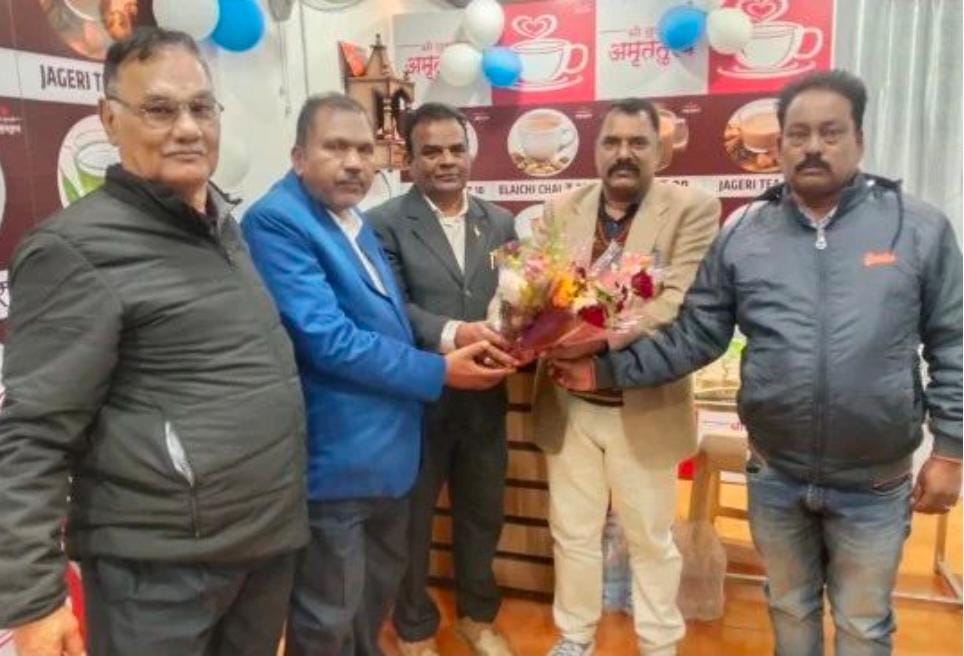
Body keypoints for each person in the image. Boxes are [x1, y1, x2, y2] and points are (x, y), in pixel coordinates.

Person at [550, 70, 963, 656]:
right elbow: (697, 334)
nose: (813, 147)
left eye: (830, 133)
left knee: (864, 624)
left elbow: (953, 341)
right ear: (780, 144)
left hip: (874, 480)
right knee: (788, 610)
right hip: (776, 473)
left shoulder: (915, 227)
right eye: (797, 134)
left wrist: (950, 450)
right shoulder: (745, 232)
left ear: (860, 140)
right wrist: (604, 372)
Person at [0, 27, 309, 656]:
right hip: (160, 577)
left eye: (201, 107)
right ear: (109, 119)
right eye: (160, 110)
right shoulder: (75, 250)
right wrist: (33, 601)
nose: (187, 128)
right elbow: (31, 434)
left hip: (261, 547)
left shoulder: (220, 224)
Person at [241, 93, 516, 656]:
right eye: (336, 147)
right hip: (339, 459)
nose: (354, 163)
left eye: (365, 150)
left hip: (389, 454)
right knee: (328, 615)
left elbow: (385, 318)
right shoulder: (278, 220)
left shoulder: (349, 217)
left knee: (369, 603)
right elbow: (328, 340)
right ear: (298, 156)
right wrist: (439, 370)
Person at [531, 98, 721, 656]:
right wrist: (520, 324)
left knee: (651, 540)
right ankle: (575, 636)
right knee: (573, 533)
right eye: (612, 142)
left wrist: (597, 340)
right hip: (568, 404)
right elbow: (533, 287)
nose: (624, 153)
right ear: (595, 150)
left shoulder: (692, 209)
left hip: (644, 405)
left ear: (661, 151)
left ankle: (659, 643)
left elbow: (675, 299)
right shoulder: (560, 208)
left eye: (638, 143)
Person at [367, 102, 517, 656]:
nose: (446, 160)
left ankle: (477, 617)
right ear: (409, 159)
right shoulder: (382, 224)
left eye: (456, 149)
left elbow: (514, 296)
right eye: (431, 151)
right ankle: (414, 626)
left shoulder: (499, 221)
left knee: (483, 512)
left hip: (486, 401)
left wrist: (523, 330)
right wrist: (456, 332)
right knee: (413, 522)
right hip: (419, 400)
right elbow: (390, 307)